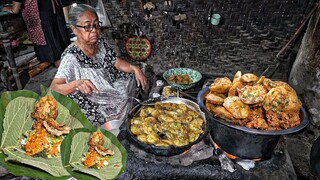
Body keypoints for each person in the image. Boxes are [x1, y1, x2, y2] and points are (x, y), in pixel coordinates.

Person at [49, 4, 147, 127]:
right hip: (90, 97)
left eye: (96, 25)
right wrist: (77, 84)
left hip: (107, 84)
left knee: (134, 77)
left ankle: (126, 114)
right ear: (74, 29)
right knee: (101, 115)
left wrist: (134, 68)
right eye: (87, 27)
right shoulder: (71, 57)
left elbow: (115, 61)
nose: (94, 30)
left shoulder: (100, 42)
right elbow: (53, 89)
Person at [3, 0, 71, 67]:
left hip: (41, 10)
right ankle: (69, 60)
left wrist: (9, 8)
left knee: (51, 45)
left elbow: (15, 10)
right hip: (53, 5)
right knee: (59, 35)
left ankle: (61, 66)